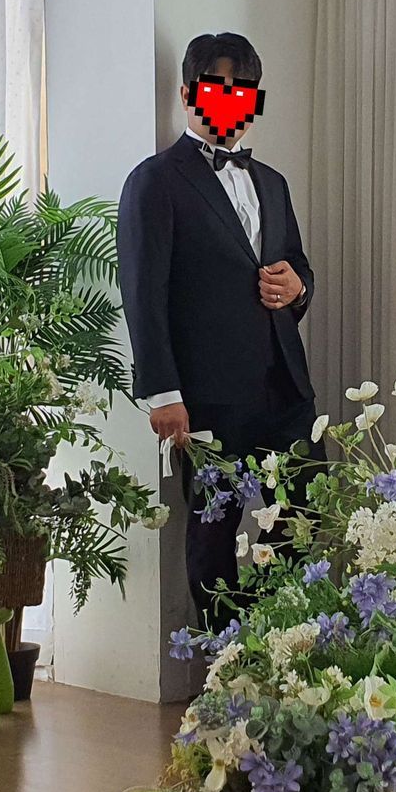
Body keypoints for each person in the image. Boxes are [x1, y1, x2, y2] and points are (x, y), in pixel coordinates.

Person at [118, 31, 324, 630]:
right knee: (214, 531)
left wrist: (298, 287)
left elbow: (295, 264)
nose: (231, 101)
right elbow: (143, 293)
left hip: (284, 385)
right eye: (217, 89)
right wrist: (163, 394)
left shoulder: (273, 183)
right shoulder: (155, 181)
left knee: (305, 514)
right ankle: (223, 659)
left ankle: (280, 644)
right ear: (189, 95)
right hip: (206, 395)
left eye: (243, 91)